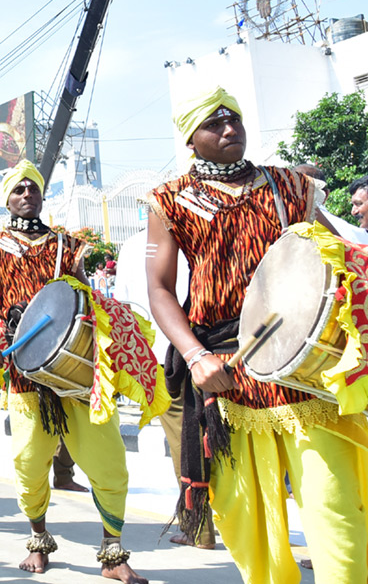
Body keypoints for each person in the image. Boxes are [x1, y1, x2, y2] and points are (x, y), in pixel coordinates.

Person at [145, 86, 368, 582]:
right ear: (190, 139)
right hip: (225, 372)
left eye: (236, 120)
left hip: (302, 367)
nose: (230, 130)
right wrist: (195, 355)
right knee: (250, 527)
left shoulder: (290, 186)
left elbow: (335, 259)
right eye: (215, 124)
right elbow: (159, 290)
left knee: (337, 513)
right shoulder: (167, 200)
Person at [0, 160, 150, 583]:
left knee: (109, 463)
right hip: (25, 371)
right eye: (18, 190)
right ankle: (38, 539)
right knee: (31, 464)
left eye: (33, 188)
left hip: (73, 372)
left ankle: (112, 552)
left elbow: (83, 297)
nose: (27, 194)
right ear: (8, 199)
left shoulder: (65, 244)